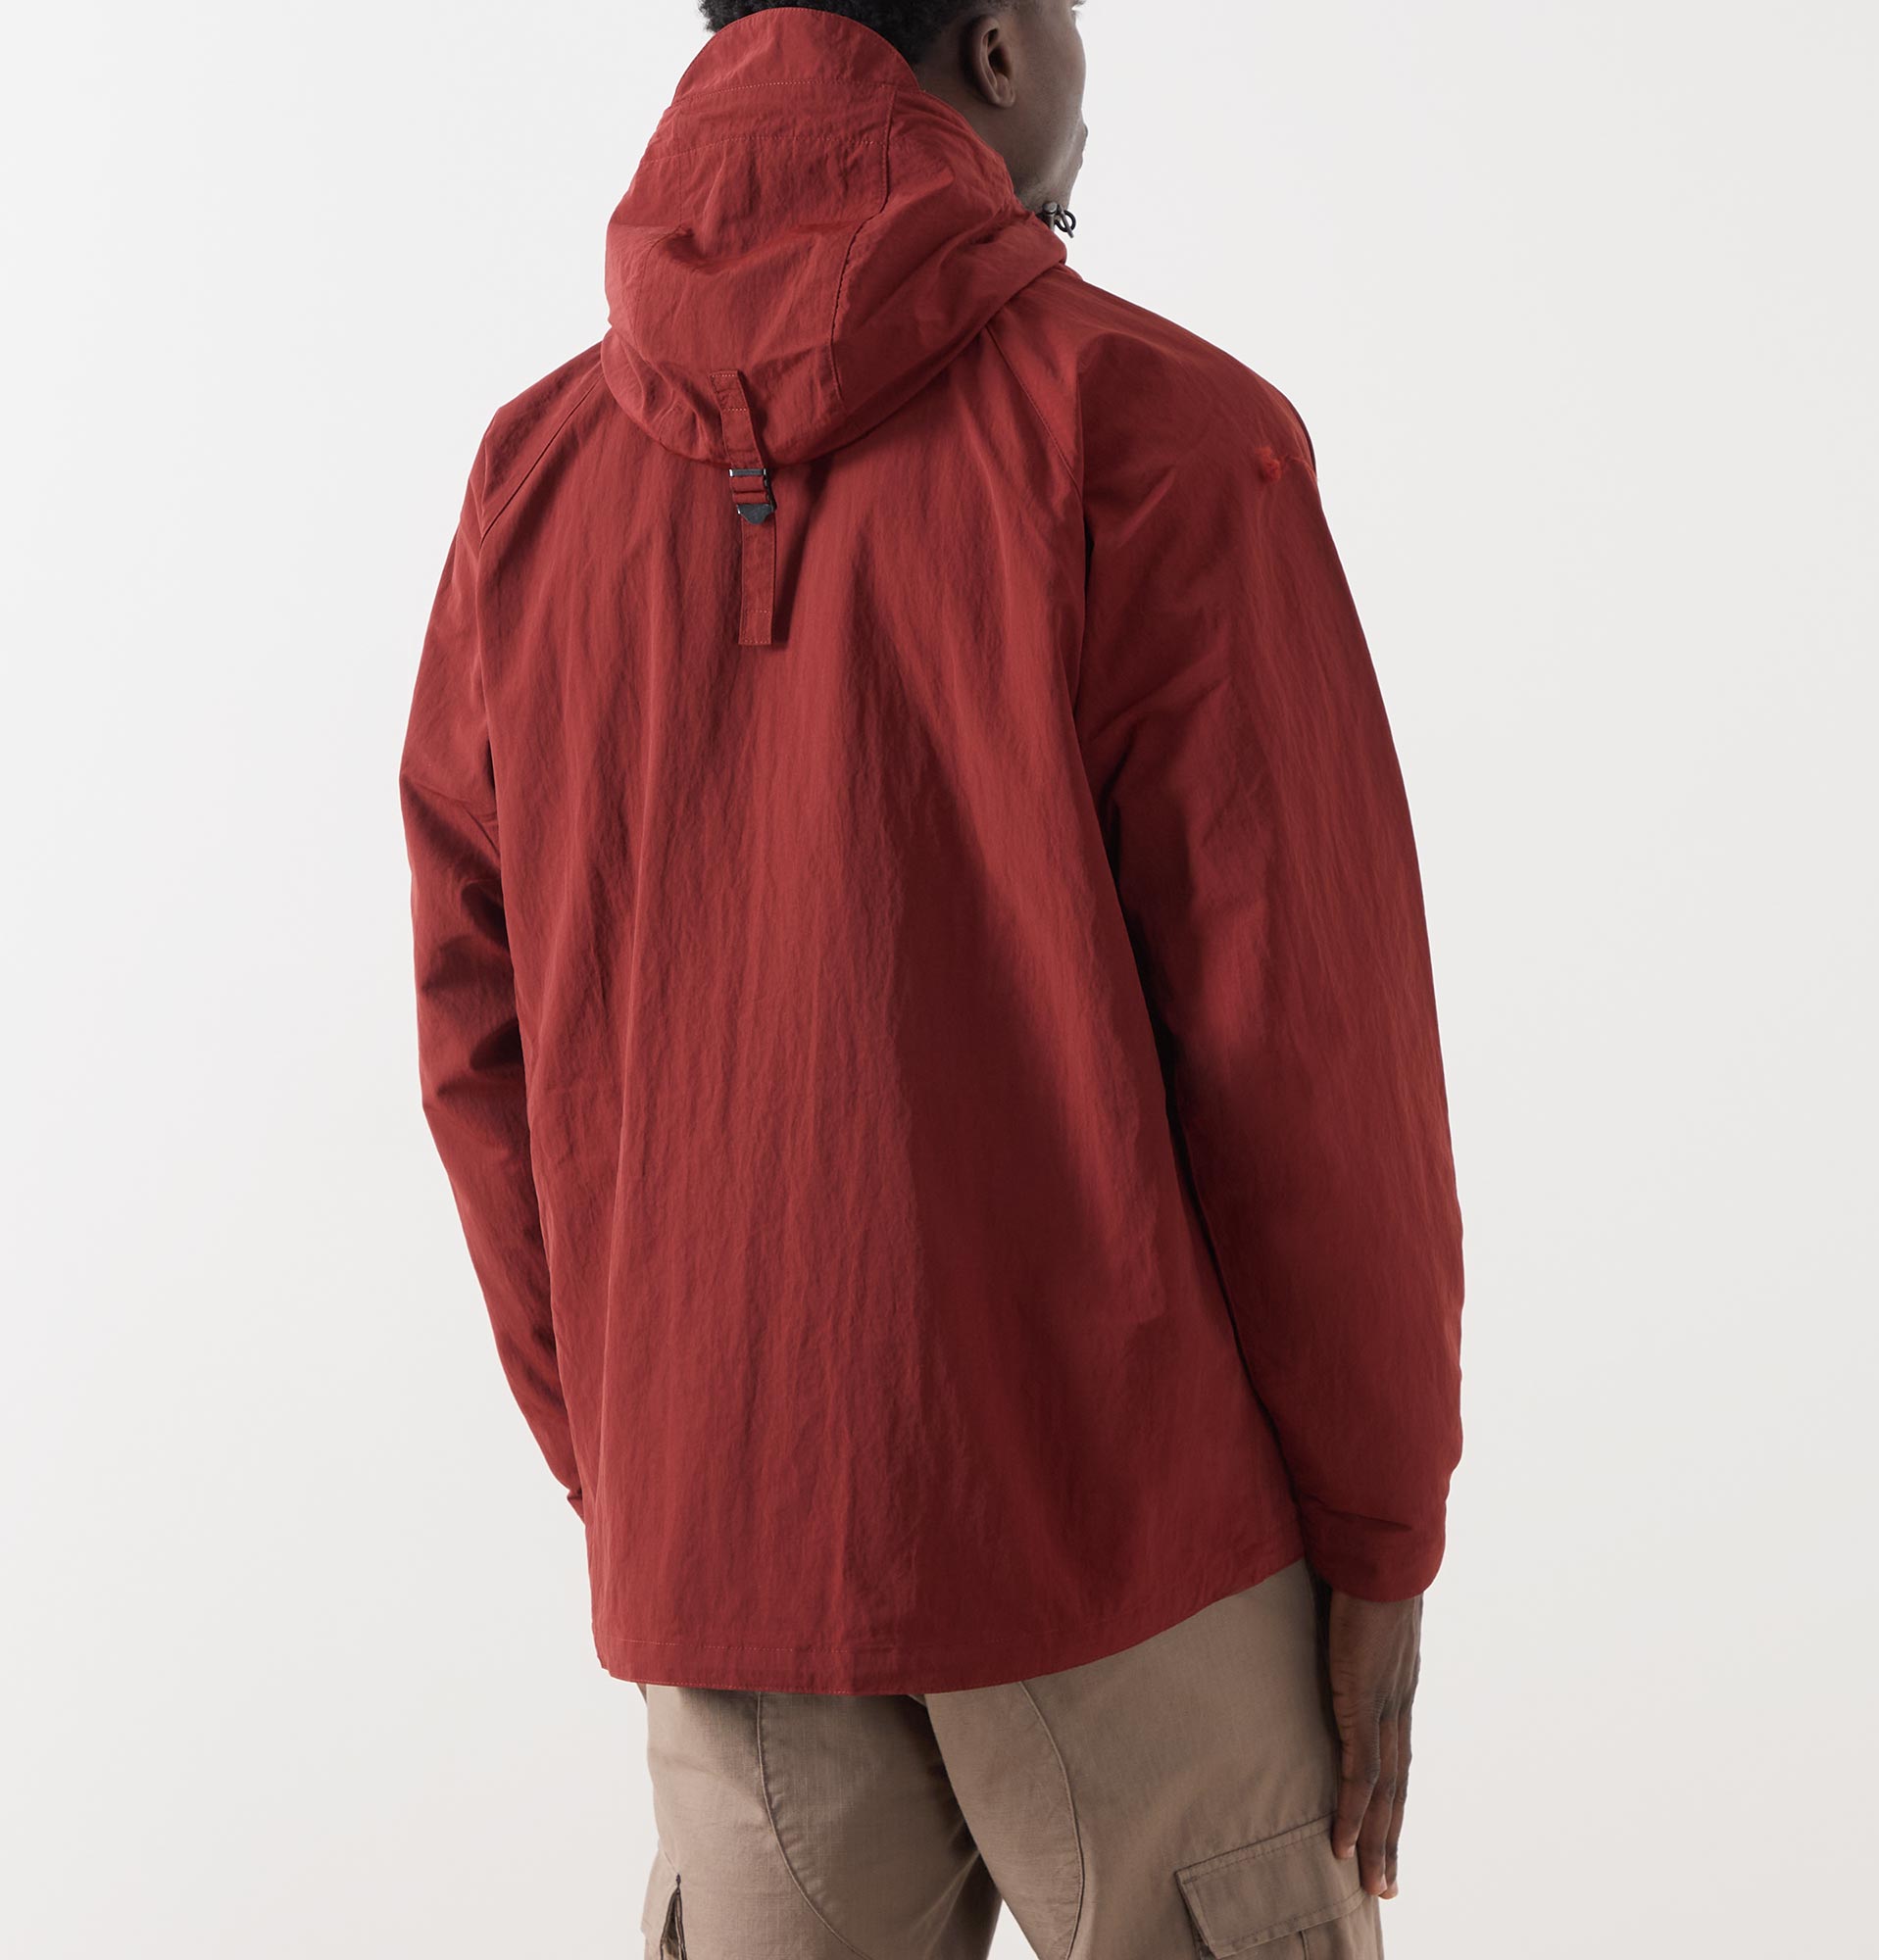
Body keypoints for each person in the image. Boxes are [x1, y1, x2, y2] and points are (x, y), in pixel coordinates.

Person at [399, 3, 1463, 1953]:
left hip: (729, 1554)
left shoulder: (529, 480)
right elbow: (1307, 1060)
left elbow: (482, 1044)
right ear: (993, 50)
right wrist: (1384, 1533)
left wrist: (641, 1461)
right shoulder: (1161, 433)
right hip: (1129, 1543)